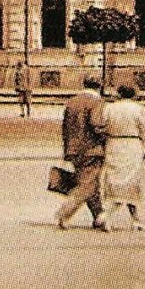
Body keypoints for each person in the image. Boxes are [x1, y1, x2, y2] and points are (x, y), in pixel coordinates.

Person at [98, 82, 145, 232]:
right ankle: (108, 214)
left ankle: (132, 219)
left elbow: (102, 126)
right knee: (131, 182)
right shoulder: (139, 110)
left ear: (119, 93)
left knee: (113, 182)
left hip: (113, 144)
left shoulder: (109, 108)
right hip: (132, 146)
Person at [54, 75, 108, 229]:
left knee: (92, 183)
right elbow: (97, 125)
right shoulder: (97, 102)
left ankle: (99, 215)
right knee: (87, 185)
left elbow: (65, 127)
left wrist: (67, 149)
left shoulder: (72, 101)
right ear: (99, 86)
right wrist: (107, 136)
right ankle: (65, 213)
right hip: (91, 150)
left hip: (73, 148)